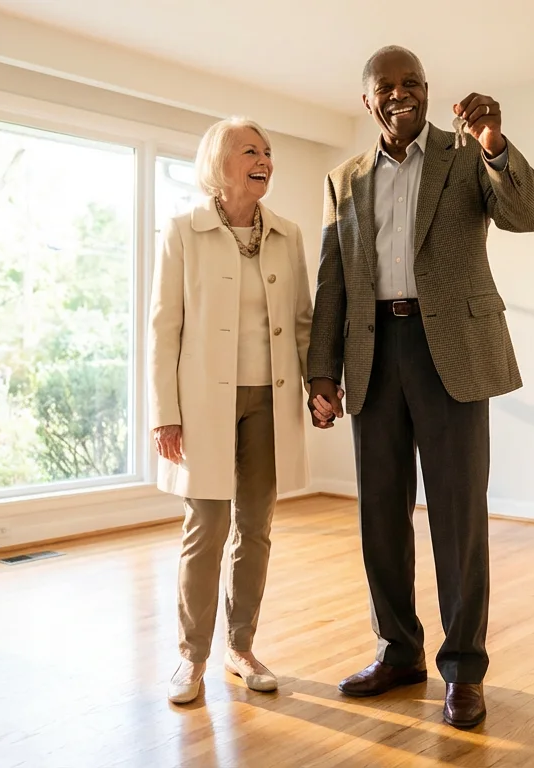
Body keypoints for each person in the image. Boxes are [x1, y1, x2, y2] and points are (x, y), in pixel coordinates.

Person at [306, 45, 534, 729]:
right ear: (368, 100)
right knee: (379, 514)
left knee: (458, 518)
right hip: (372, 353)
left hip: (453, 353)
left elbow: (527, 214)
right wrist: (321, 370)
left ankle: (464, 669)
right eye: (387, 85)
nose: (400, 93)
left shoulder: (466, 155)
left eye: (412, 82)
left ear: (426, 90)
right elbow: (333, 280)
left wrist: (495, 143)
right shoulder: (342, 178)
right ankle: (398, 651)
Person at [148, 116, 313, 705]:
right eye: (251, 151)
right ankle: (191, 658)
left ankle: (240, 648)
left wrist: (318, 386)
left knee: (257, 527)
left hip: (269, 398)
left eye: (268, 151)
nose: (264, 159)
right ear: (221, 162)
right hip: (203, 403)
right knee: (207, 527)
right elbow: (164, 329)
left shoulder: (287, 235)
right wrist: (164, 411)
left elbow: (302, 322)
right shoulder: (182, 231)